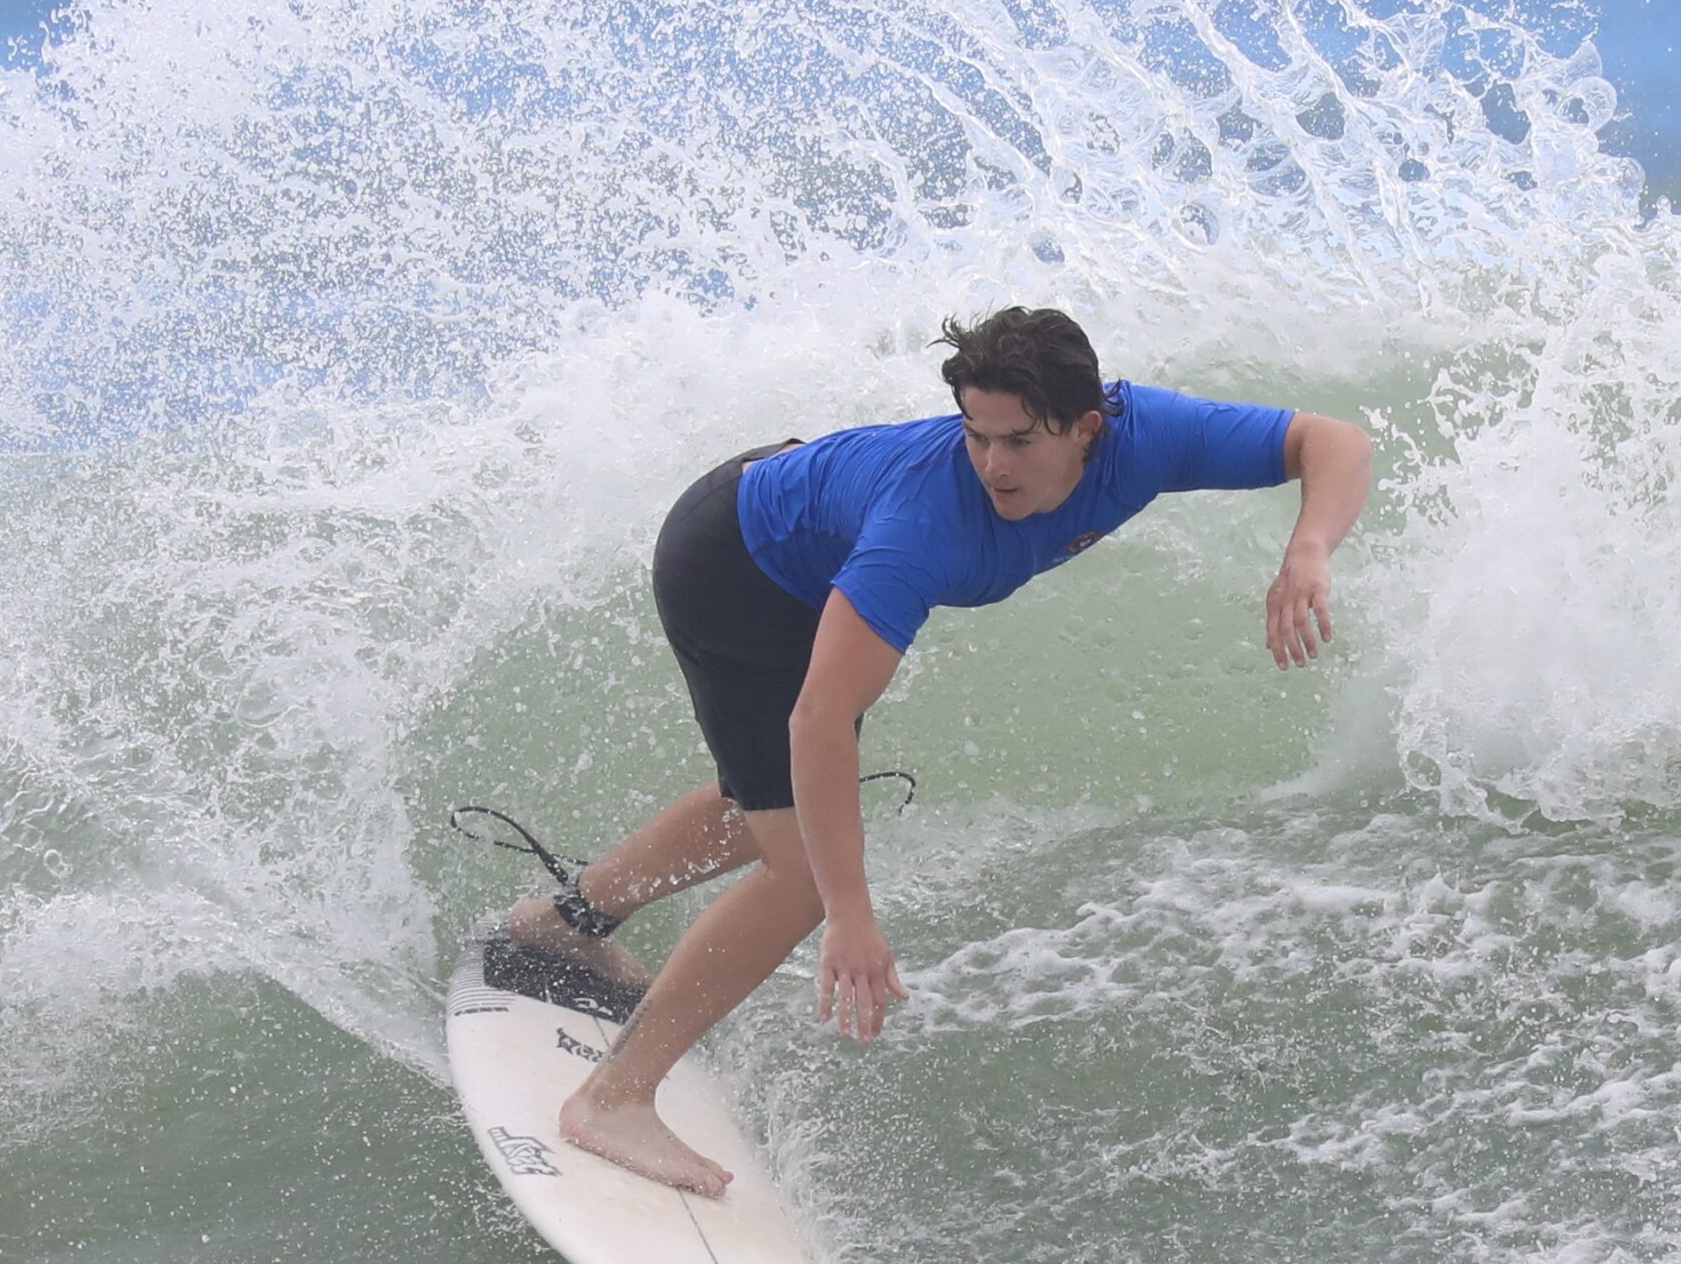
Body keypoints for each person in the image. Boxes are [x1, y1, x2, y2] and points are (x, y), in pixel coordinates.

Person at [492, 305, 1374, 1197]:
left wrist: (1308, 548)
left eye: (1018, 441)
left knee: (758, 810)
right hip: (738, 571)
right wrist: (850, 912)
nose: (992, 464)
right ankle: (614, 1098)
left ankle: (561, 927)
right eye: (975, 435)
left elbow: (1331, 440)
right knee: (801, 876)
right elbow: (818, 724)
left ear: (1087, 429)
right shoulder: (925, 526)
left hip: (796, 532)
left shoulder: (1147, 438)